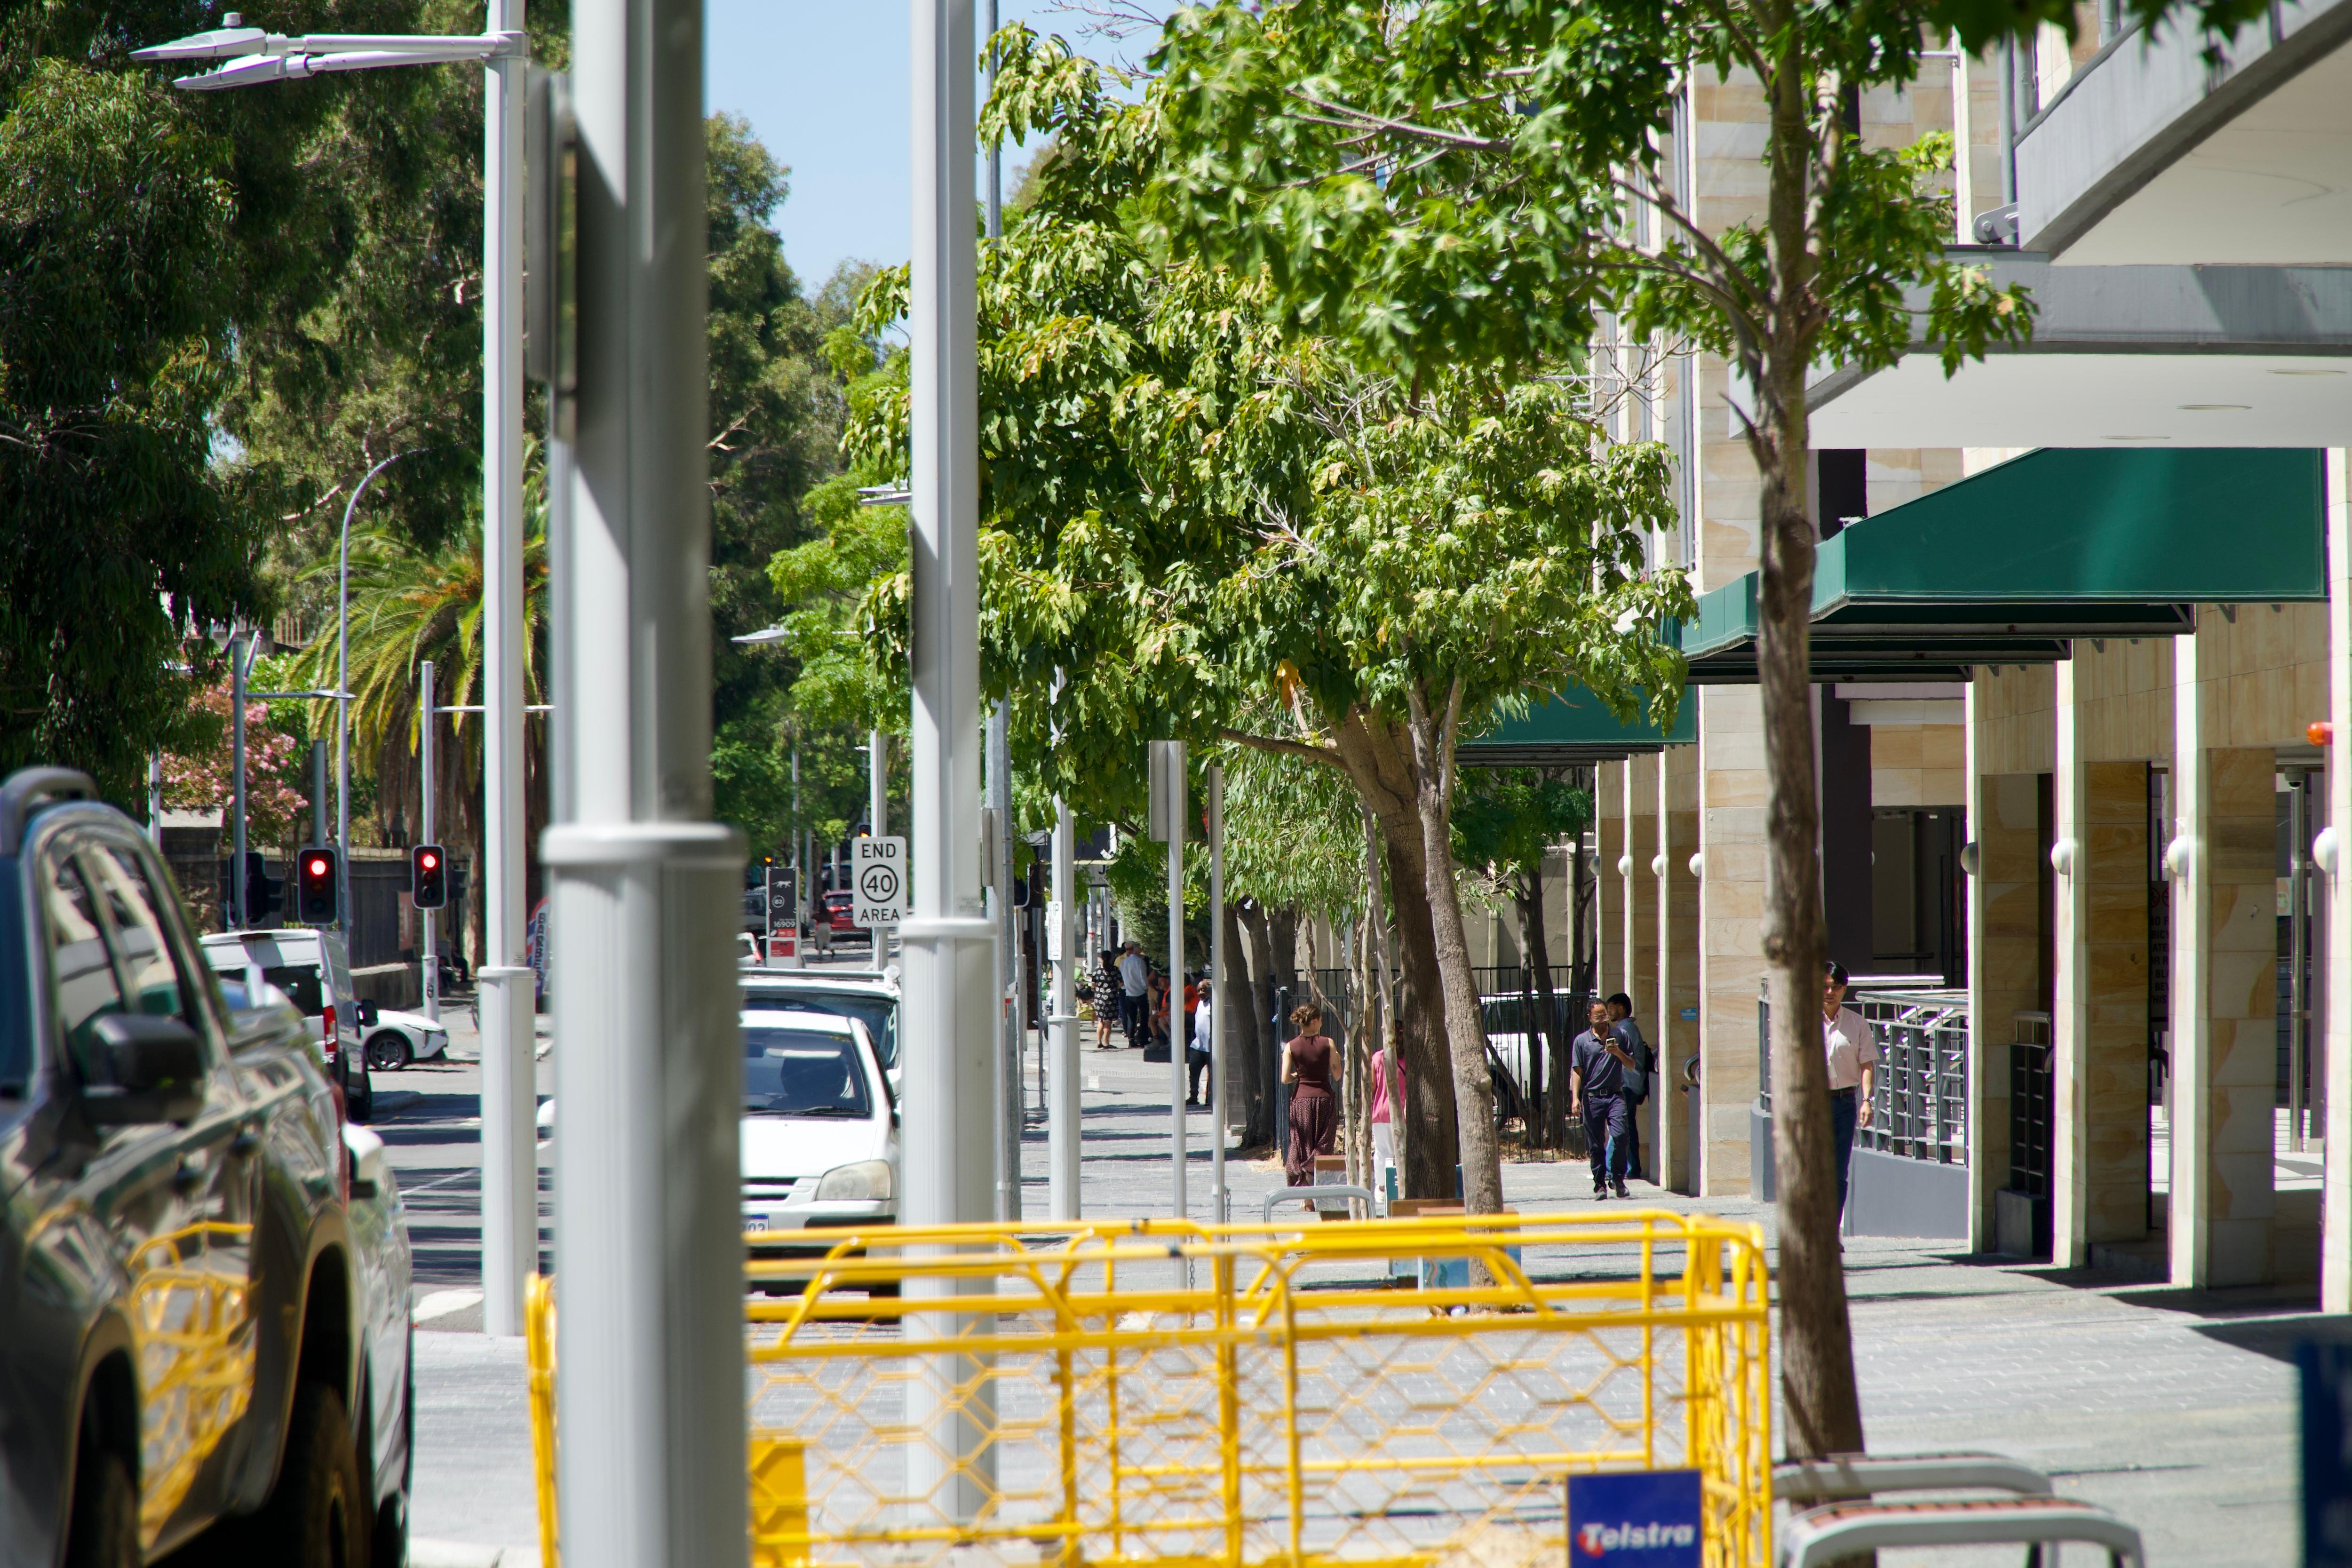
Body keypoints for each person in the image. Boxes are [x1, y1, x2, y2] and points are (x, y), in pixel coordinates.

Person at [1823, 960, 1880, 1215]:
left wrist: (1867, 1101)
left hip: (1844, 1103)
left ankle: (1831, 1231)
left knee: (1837, 1172)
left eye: (1836, 987)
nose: (1829, 992)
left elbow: (1867, 1064)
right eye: (1824, 987)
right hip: (1811, 1103)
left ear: (1844, 989)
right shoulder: (1800, 1022)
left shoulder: (1857, 1024)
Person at [1569, 996, 1637, 1200]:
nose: (1602, 1020)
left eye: (1605, 1015)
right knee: (1596, 1144)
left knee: (1621, 1135)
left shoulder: (1621, 1035)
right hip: (1592, 1098)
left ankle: (1618, 1179)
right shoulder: (1582, 1041)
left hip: (1615, 1095)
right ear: (1590, 1018)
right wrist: (1575, 1098)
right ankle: (1600, 1184)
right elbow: (1577, 1071)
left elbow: (1632, 1065)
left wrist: (1618, 1052)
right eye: (1598, 1016)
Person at [1281, 1003, 1339, 1186]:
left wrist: (1298, 1075)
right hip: (1324, 1098)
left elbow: (1285, 1079)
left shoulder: (1291, 1047)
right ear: (1314, 1021)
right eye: (1320, 1020)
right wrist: (1336, 1058)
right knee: (1324, 1145)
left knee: (1301, 1145)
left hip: (1301, 1100)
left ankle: (1305, 1195)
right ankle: (1316, 1182)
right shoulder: (1328, 1043)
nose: (1321, 1023)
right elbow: (1337, 1075)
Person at [1606, 992, 1654, 1184]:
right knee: (1628, 1127)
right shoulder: (1628, 1029)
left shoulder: (1625, 1030)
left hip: (1627, 1085)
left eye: (1611, 1008)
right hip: (1632, 1084)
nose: (1609, 1012)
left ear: (1621, 1009)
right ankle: (1632, 1167)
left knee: (1617, 1127)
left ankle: (1610, 1169)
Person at [1369, 1036, 1405, 1204]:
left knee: (1382, 1151)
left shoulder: (1378, 1057)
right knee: (1401, 1151)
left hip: (1380, 1112)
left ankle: (1382, 1187)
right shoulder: (1408, 1059)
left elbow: (1372, 1086)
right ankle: (1400, 1185)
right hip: (1402, 1112)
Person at [1117, 941, 1150, 1050]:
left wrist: (1125, 987)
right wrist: (1146, 988)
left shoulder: (1124, 962)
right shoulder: (1140, 962)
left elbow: (1122, 975)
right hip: (1140, 992)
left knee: (1131, 1017)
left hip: (1128, 992)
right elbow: (1143, 977)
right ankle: (1143, 1039)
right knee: (1144, 1016)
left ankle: (1131, 1039)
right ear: (1137, 949)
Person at [1186, 979, 1214, 1106]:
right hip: (1198, 1045)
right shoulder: (1199, 1004)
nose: (1201, 993)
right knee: (1194, 1072)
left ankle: (1209, 1099)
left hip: (1210, 1047)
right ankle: (1193, 1096)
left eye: (1204, 990)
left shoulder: (1213, 1005)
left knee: (1212, 1075)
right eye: (1198, 990)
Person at [1093, 949, 1123, 1049]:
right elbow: (1121, 983)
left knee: (1101, 1020)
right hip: (1111, 997)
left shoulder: (1097, 970)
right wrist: (1114, 989)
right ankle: (1106, 1042)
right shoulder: (1114, 970)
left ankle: (1099, 1041)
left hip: (1099, 998)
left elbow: (1093, 984)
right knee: (1108, 1021)